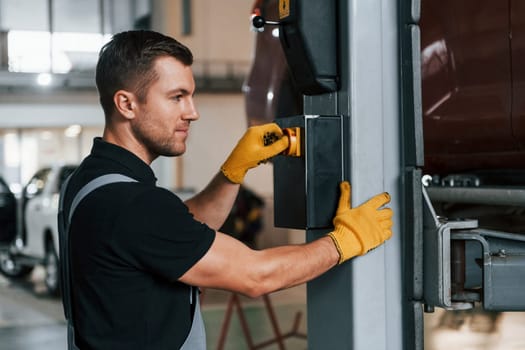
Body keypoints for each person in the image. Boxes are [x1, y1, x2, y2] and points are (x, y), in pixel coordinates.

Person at [59, 30, 393, 350]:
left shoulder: (87, 183)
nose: (193, 113)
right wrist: (344, 242)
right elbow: (256, 276)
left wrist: (233, 172)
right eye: (177, 97)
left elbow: (176, 231)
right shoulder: (132, 204)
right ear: (127, 105)